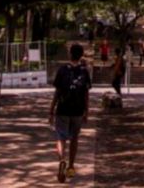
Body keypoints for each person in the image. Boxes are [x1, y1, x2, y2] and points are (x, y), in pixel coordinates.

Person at [49, 43, 91, 183]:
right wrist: (86, 111)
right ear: (81, 55)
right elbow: (86, 93)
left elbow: (57, 92)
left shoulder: (62, 70)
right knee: (74, 138)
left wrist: (51, 110)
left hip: (63, 109)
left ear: (70, 54)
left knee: (61, 137)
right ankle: (71, 167)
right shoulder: (84, 71)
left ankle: (62, 159)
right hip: (78, 110)